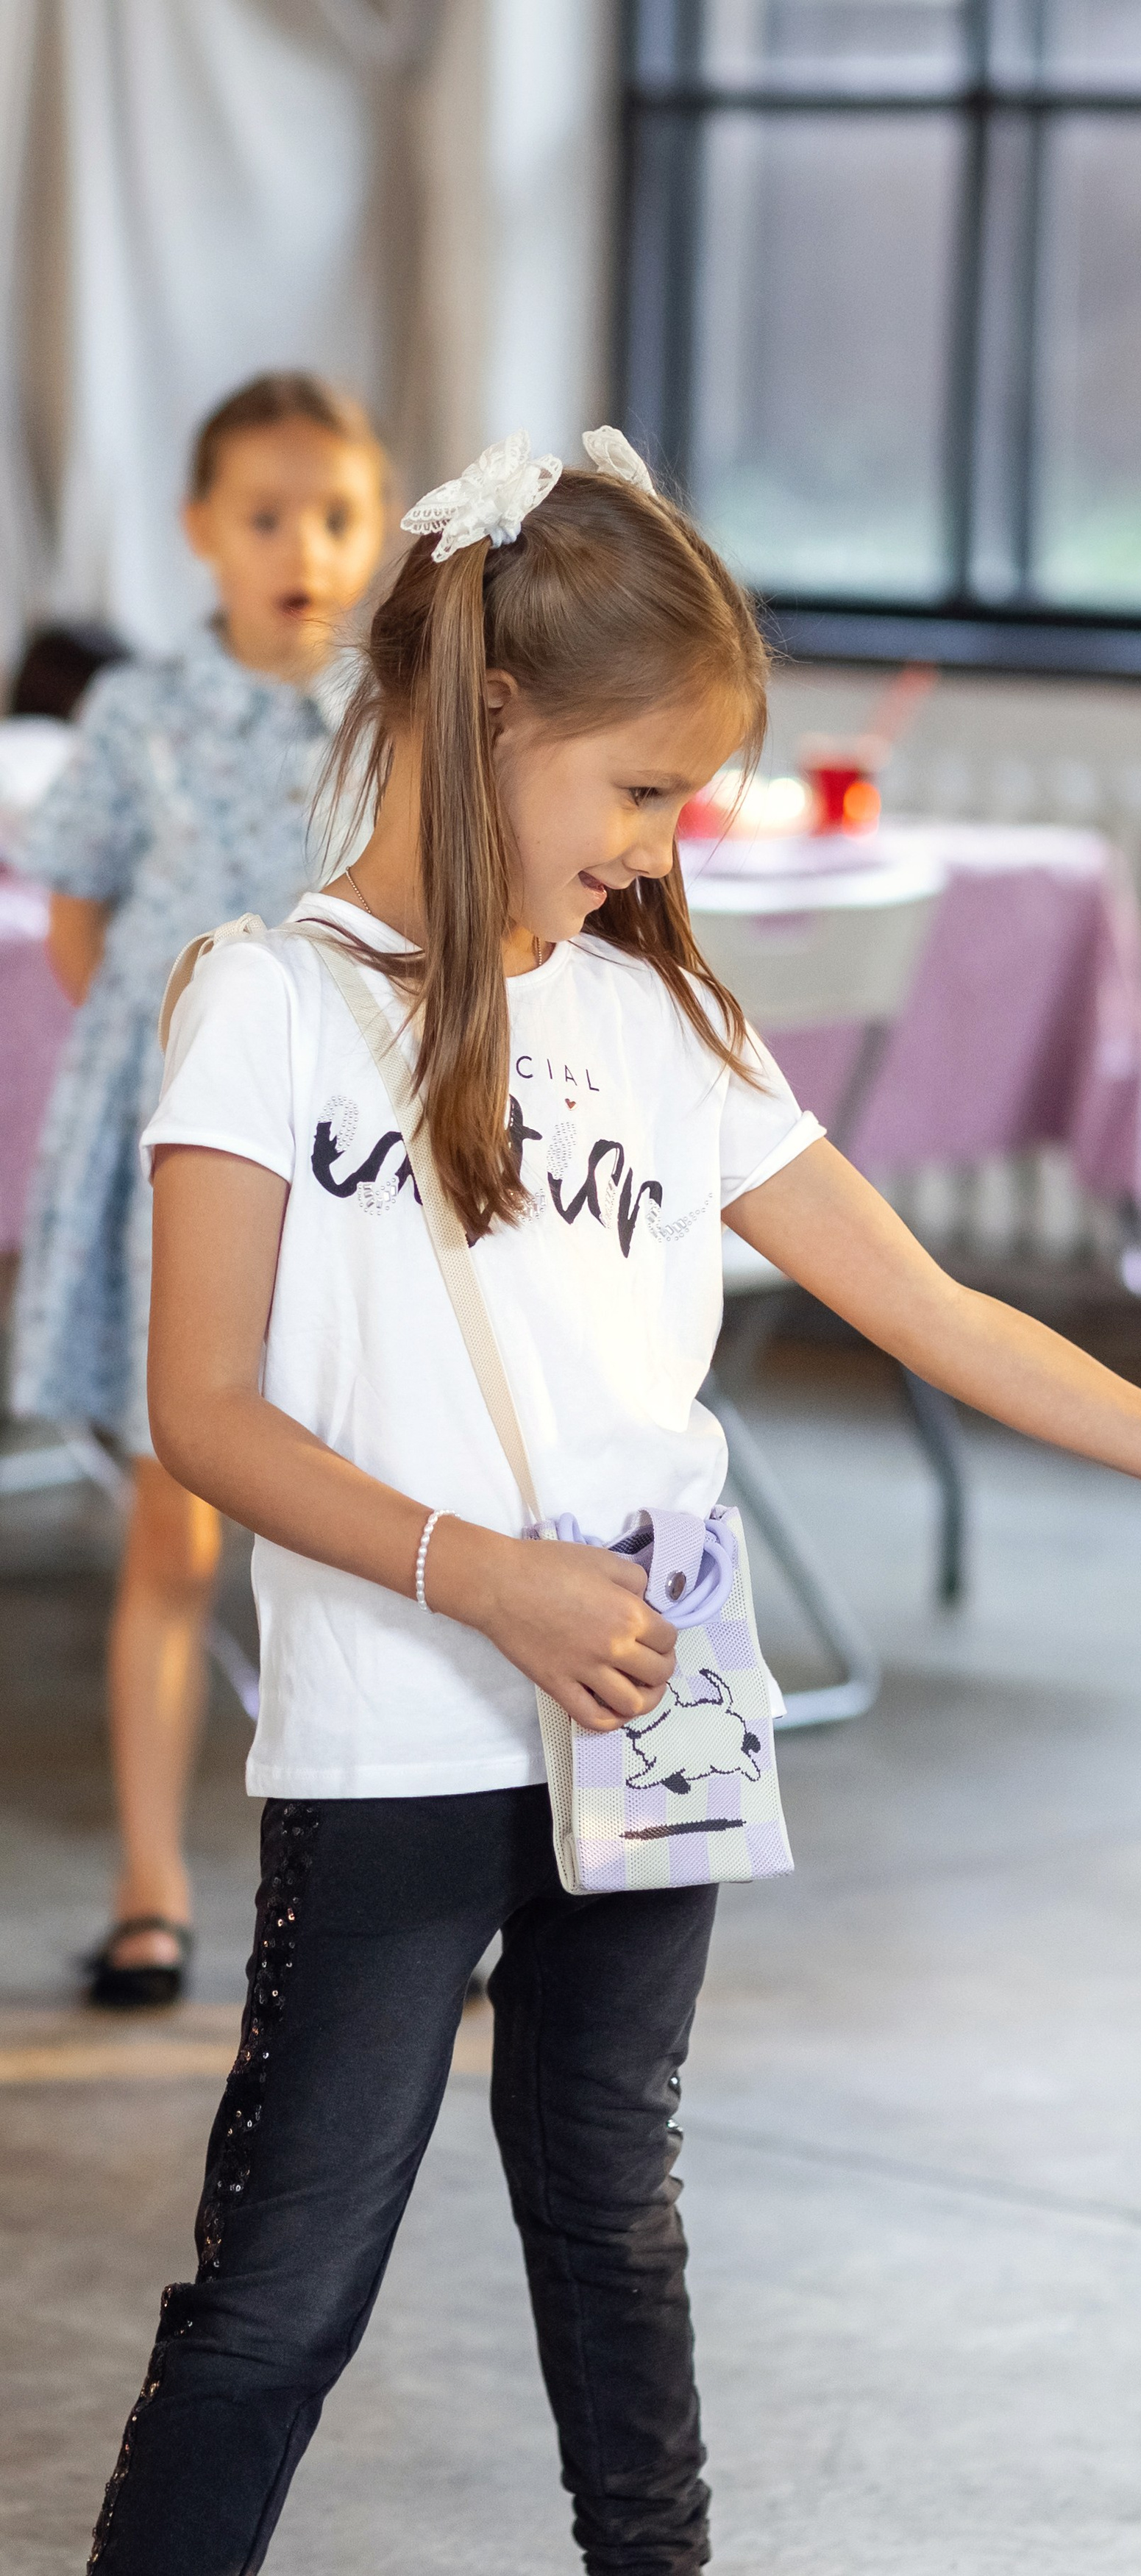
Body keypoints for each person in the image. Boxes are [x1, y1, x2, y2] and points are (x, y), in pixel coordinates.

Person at [87, 428, 1141, 2573]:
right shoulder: (263, 1005)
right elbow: (203, 1412)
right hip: (399, 1744)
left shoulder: (669, 1023)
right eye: (639, 789)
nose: (656, 848)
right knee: (280, 2291)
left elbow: (932, 1307)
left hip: (662, 1701)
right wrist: (485, 1579)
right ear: (495, 716)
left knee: (614, 2213)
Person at [10, 372, 387, 2009]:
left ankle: (400, 1894)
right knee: (175, 1528)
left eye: (335, 515)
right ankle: (153, 1881)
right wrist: (168, 1064)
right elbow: (82, 905)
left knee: (378, 1515)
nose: (300, 547)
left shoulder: (399, 714)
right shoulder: (142, 713)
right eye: (264, 515)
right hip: (191, 1162)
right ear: (198, 532)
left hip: (353, 1167)